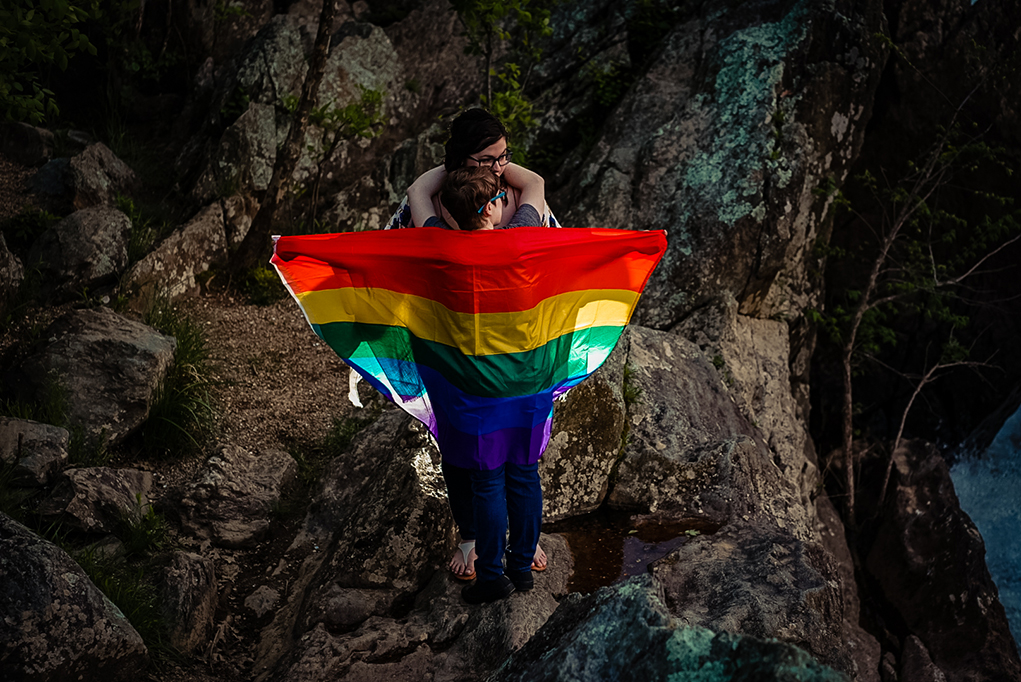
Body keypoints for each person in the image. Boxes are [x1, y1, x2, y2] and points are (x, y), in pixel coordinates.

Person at [393, 109, 551, 586]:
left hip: (462, 370)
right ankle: (498, 548)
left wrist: (480, 168)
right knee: (516, 469)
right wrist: (484, 175)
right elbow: (536, 185)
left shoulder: (436, 239)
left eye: (506, 159)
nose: (502, 171)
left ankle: (491, 559)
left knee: (483, 466)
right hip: (518, 368)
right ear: (494, 208)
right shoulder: (522, 229)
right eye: (490, 161)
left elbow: (417, 192)